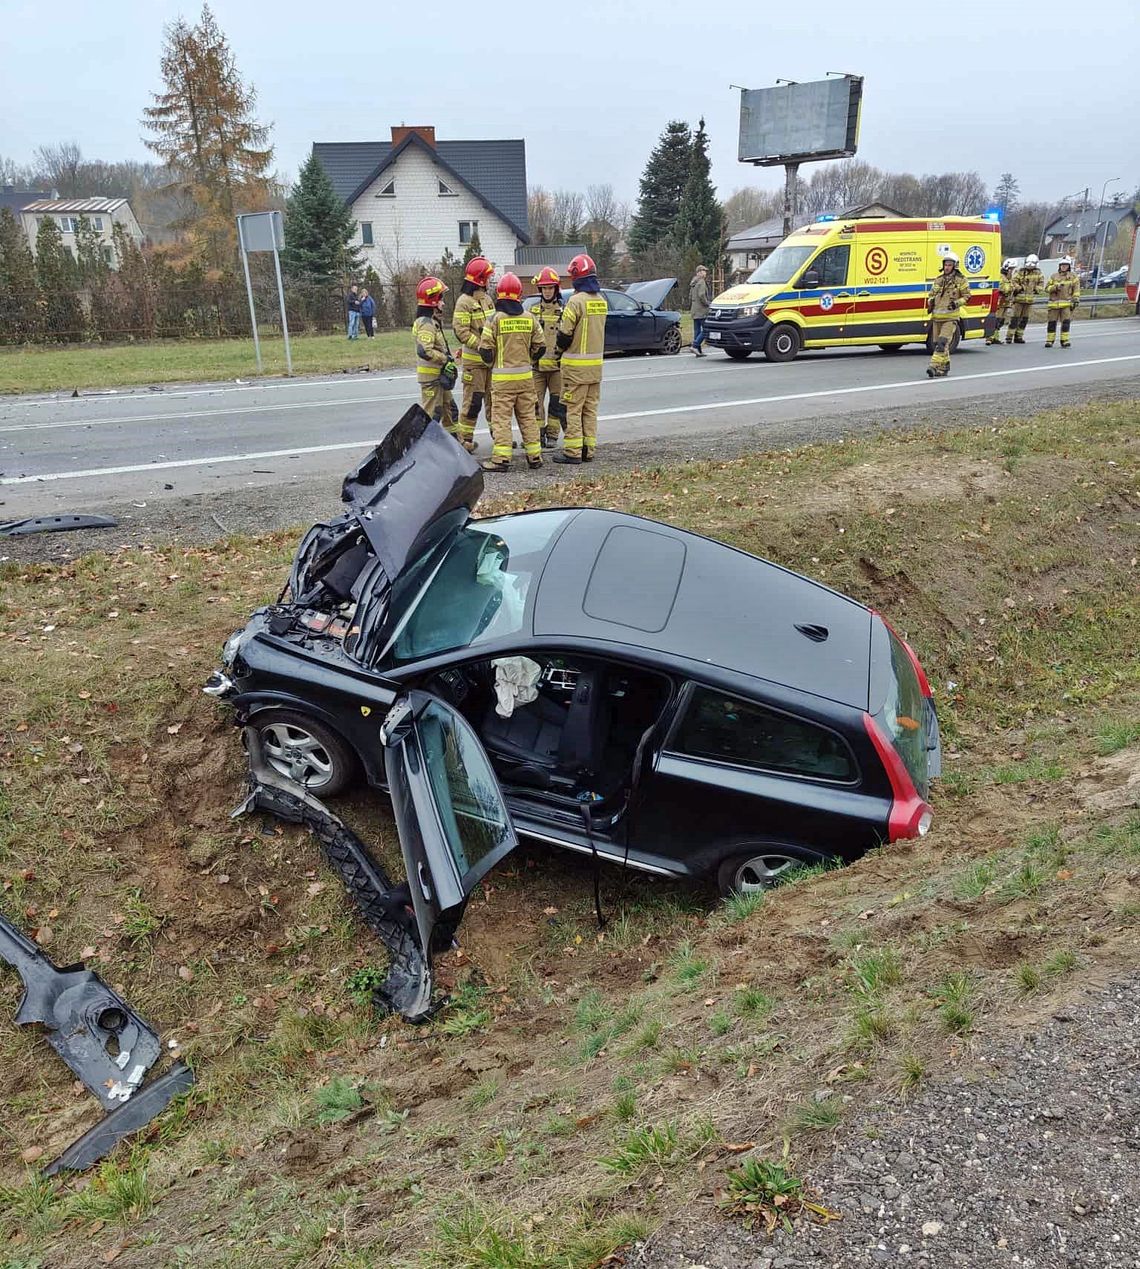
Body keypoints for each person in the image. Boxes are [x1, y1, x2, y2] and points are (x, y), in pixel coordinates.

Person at [477, 272, 545, 472]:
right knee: (528, 418)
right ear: (519, 294)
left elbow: (485, 350)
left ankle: (501, 460)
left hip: (502, 382)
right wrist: (528, 360)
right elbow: (541, 347)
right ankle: (535, 457)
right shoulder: (530, 318)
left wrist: (494, 363)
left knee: (501, 420)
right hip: (525, 379)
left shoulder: (494, 319)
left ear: (499, 294)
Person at [552, 253, 608, 465]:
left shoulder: (575, 302)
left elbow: (564, 334)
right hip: (595, 368)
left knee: (572, 409)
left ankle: (573, 452)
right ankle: (588, 449)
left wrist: (558, 351)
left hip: (575, 368)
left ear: (576, 277)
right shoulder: (601, 301)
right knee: (590, 409)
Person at [452, 256, 496, 451]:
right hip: (474, 362)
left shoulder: (487, 300)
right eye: (487, 277)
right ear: (479, 279)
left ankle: (500, 435)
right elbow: (461, 331)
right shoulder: (464, 302)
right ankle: (465, 440)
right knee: (473, 401)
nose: (489, 281)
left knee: (494, 400)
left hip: (491, 361)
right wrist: (481, 346)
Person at [412, 275, 460, 440]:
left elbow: (436, 347)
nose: (443, 303)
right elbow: (424, 351)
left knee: (450, 410)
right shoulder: (426, 324)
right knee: (432, 415)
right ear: (432, 301)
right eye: (441, 299)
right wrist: (444, 359)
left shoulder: (432, 322)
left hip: (439, 377)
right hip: (431, 379)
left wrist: (450, 357)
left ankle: (456, 445)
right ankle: (424, 450)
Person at [530, 266, 566, 448]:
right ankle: (537, 435)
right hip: (537, 367)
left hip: (557, 368)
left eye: (551, 288)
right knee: (535, 403)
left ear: (556, 289)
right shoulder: (533, 312)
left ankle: (552, 436)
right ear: (540, 290)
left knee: (556, 403)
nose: (547, 291)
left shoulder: (564, 312)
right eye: (544, 288)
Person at [925, 251, 970, 378]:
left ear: (955, 266)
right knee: (938, 343)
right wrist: (930, 302)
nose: (947, 267)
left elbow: (967, 296)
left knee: (942, 343)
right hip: (937, 317)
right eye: (945, 264)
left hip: (950, 317)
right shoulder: (938, 280)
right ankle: (944, 367)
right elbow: (931, 295)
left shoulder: (961, 280)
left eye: (950, 265)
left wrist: (956, 303)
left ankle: (933, 366)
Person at [1006, 254, 1044, 345]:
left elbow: (1041, 284)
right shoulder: (1020, 272)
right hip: (1019, 300)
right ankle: (1009, 336)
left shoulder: (1038, 273)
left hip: (1029, 301)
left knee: (1024, 319)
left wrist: (1036, 289)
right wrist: (1019, 288)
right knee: (1015, 319)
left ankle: (1019, 336)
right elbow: (1013, 281)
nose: (1030, 266)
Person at [1043, 256, 1080, 348]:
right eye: (1062, 265)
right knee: (1052, 323)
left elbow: (1076, 289)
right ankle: (1050, 341)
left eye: (1065, 265)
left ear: (1069, 266)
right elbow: (1046, 289)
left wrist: (1076, 299)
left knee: (1066, 323)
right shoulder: (1054, 276)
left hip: (1066, 304)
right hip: (1054, 304)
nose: (1063, 267)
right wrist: (1055, 287)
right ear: (1059, 266)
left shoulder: (1073, 277)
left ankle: (1064, 340)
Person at [987, 259, 1016, 344]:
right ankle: (990, 338)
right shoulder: (1001, 277)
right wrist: (1011, 288)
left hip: (1006, 302)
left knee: (1001, 321)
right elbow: (1003, 289)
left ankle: (995, 337)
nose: (1012, 271)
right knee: (996, 320)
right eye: (1012, 269)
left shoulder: (1009, 278)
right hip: (1000, 302)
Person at [689, 264, 711, 356]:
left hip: (694, 310)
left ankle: (698, 351)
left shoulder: (693, 282)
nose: (705, 273)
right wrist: (708, 303)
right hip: (702, 310)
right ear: (699, 272)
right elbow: (702, 295)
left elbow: (690, 296)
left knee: (697, 331)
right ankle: (695, 346)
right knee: (706, 329)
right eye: (704, 271)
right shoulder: (701, 282)